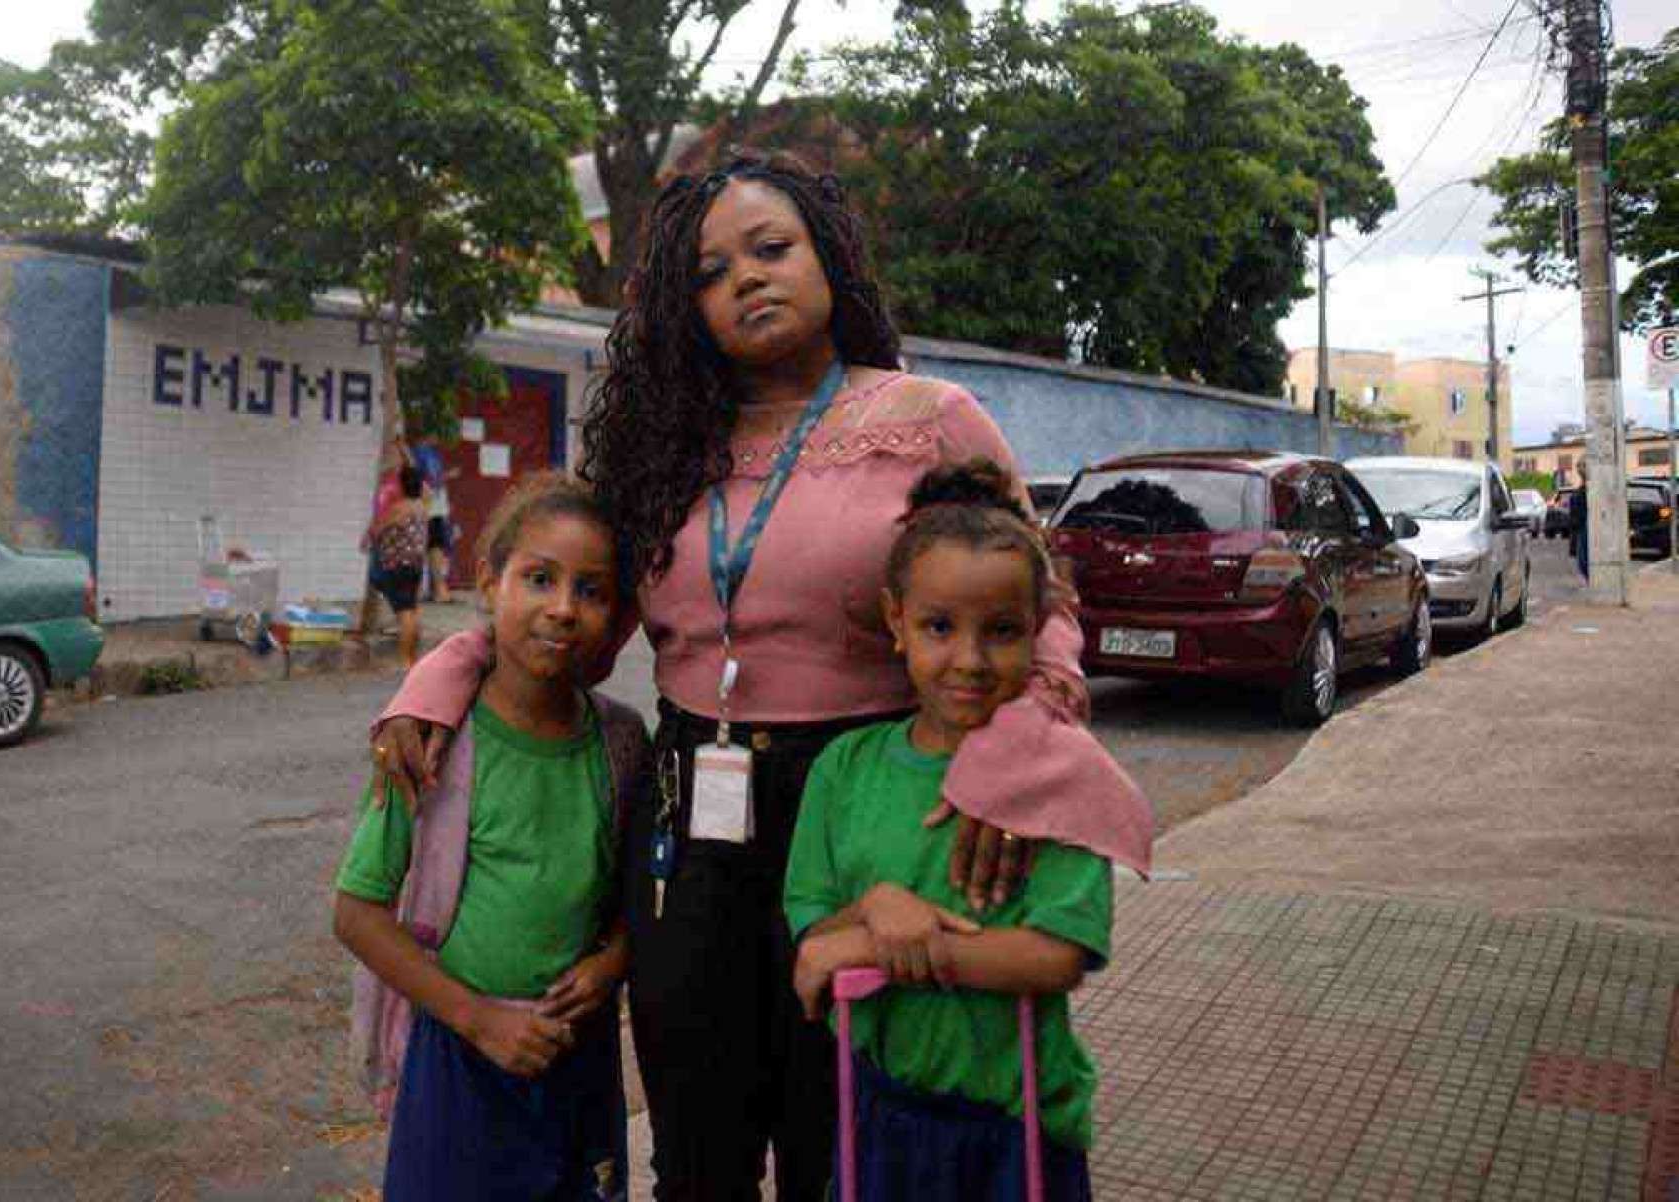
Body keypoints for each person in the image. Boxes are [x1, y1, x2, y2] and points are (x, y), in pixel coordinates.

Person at [369, 150, 1151, 1201]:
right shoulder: (663, 443)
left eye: (770, 248)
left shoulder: (933, 416)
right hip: (689, 811)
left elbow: (1040, 608)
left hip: (866, 797)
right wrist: (438, 675)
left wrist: (1018, 767)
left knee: (839, 1128)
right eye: (708, 271)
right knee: (697, 1134)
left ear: (827, 252)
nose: (744, 278)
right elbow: (570, 617)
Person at [785, 461, 1142, 1201]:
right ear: (896, 623)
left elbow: (1054, 957)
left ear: (1038, 630)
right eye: (940, 627)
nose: (971, 662)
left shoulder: (1062, 780)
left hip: (1017, 1128)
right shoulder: (843, 771)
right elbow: (813, 942)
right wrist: (876, 910)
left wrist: (881, 949)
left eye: (1003, 632)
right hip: (879, 1112)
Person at [333, 473, 649, 1199]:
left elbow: (640, 898)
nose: (563, 609)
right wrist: (477, 1019)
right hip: (458, 1056)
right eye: (539, 578)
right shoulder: (429, 742)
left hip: (576, 1055)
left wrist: (612, 963)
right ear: (488, 579)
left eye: (592, 591)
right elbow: (356, 912)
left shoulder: (622, 743)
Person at [359, 465, 429, 665]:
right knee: (411, 610)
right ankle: (412, 658)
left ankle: (406, 659)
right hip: (415, 564)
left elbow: (380, 527)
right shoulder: (421, 506)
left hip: (398, 564)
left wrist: (367, 538)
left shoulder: (401, 507)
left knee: (404, 611)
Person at [412, 439, 461, 603]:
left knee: (436, 547)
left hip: (437, 507)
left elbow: (434, 479)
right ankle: (419, 590)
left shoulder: (434, 453)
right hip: (427, 507)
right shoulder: (419, 452)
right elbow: (420, 480)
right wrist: (447, 476)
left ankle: (438, 589)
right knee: (422, 547)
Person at [1569, 459, 1590, 581]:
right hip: (1580, 528)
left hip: (1586, 527)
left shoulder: (1590, 491)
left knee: (1584, 562)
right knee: (1582, 563)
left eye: (1582, 466)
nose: (1579, 470)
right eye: (1578, 467)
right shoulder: (1580, 491)